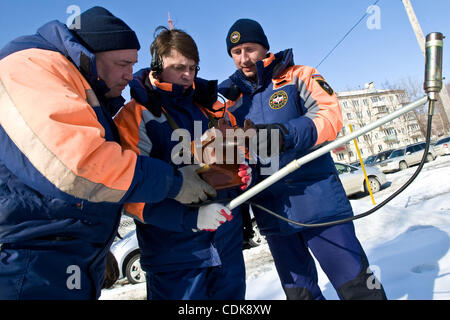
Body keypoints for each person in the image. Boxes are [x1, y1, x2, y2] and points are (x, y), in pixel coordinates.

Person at [0, 7, 216, 300]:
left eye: (133, 64)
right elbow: (79, 164)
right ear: (88, 54)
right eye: (122, 63)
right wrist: (174, 183)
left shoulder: (83, 89)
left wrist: (98, 245)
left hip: (60, 255)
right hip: (28, 260)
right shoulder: (32, 65)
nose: (130, 74)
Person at [219, 18, 387, 300]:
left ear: (265, 48)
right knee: (300, 296)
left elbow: (330, 117)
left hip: (320, 206)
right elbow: (237, 156)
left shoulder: (299, 76)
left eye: (249, 49)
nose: (243, 58)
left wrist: (285, 134)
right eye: (236, 52)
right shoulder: (232, 103)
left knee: (358, 288)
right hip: (274, 214)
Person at [114, 26, 251, 300]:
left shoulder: (211, 108)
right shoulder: (135, 116)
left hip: (226, 250)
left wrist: (244, 170)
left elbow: (245, 153)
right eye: (178, 67)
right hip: (175, 259)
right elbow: (129, 192)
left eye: (192, 67)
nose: (187, 75)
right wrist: (190, 219)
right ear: (156, 66)